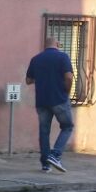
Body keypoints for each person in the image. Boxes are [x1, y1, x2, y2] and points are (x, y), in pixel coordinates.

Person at [26, 37, 75, 173]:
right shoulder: (62, 57)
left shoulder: (36, 59)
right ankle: (55, 155)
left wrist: (42, 77)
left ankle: (45, 164)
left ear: (45, 45)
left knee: (44, 131)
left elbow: (28, 80)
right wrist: (66, 91)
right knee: (67, 126)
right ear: (57, 44)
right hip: (59, 99)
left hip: (41, 101)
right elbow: (69, 77)